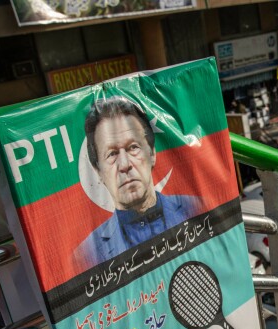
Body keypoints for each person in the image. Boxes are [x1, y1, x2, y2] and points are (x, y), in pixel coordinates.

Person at [75, 96, 202, 268]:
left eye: (133, 147)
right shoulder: (86, 255)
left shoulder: (197, 209)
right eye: (111, 154)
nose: (125, 165)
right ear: (98, 171)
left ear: (152, 154)